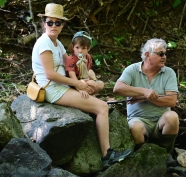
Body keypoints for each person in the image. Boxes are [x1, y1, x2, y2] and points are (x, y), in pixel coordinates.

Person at [32, 3, 131, 168]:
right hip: (52, 89)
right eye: (50, 22)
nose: (54, 26)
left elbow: (71, 65)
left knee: (97, 85)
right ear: (44, 23)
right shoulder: (44, 44)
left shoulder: (57, 43)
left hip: (63, 85)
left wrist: (85, 80)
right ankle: (107, 155)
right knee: (102, 107)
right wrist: (76, 83)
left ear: (62, 25)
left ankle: (88, 103)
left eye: (58, 23)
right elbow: (50, 74)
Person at [113, 38, 179, 167]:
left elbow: (172, 101)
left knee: (173, 117)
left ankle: (166, 153)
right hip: (138, 120)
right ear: (148, 55)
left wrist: (148, 97)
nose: (164, 57)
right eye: (160, 54)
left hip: (160, 120)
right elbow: (117, 89)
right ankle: (143, 155)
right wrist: (143, 91)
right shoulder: (132, 69)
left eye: (165, 53)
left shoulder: (169, 72)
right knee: (134, 127)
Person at [66, 31, 104, 98]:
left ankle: (90, 95)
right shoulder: (71, 59)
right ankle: (83, 94)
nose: (80, 51)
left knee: (100, 84)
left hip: (84, 80)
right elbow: (72, 76)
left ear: (88, 48)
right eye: (77, 47)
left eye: (83, 48)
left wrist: (91, 80)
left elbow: (87, 72)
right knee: (89, 83)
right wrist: (79, 88)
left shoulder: (88, 57)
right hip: (73, 83)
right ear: (73, 47)